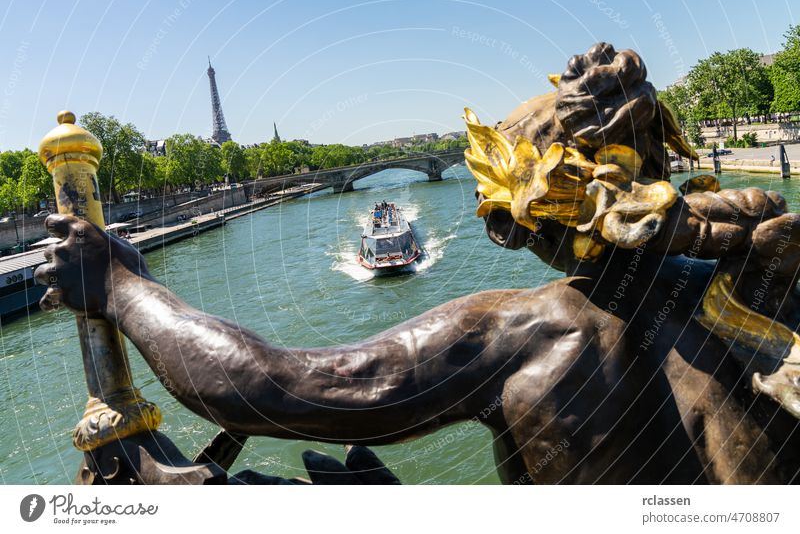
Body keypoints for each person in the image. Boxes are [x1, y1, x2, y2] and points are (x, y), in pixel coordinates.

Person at [35, 43, 800, 484]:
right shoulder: (762, 279)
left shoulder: (537, 331)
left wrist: (118, 284)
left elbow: (269, 387)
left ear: (511, 222)